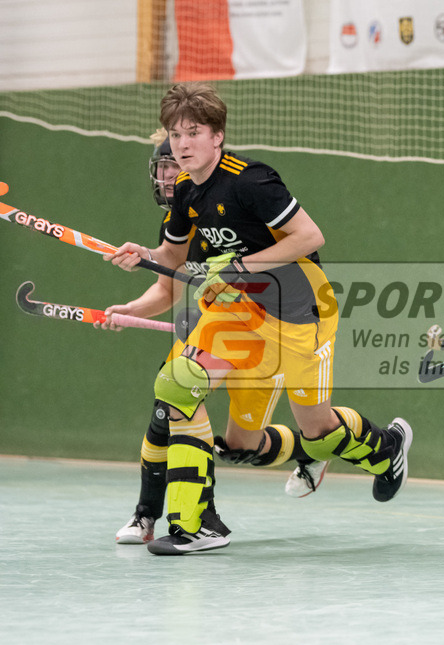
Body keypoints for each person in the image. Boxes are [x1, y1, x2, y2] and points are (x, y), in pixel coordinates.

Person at [107, 82, 412, 555]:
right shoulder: (185, 189)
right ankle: (196, 525)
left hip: (300, 309)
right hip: (238, 311)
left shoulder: (250, 180)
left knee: (318, 432)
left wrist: (240, 266)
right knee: (182, 389)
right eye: (175, 134)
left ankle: (386, 448)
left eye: (193, 133)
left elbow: (309, 237)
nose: (182, 144)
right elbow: (169, 260)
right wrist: (140, 265)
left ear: (217, 136)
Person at [111, 130, 330, 546]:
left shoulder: (235, 205)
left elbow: (300, 244)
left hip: (265, 326)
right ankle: (150, 515)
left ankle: (310, 450)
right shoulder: (180, 217)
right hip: (212, 325)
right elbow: (166, 286)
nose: (170, 175)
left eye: (175, 165)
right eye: (165, 166)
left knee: (239, 446)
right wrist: (131, 309)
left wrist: (240, 270)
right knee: (169, 402)